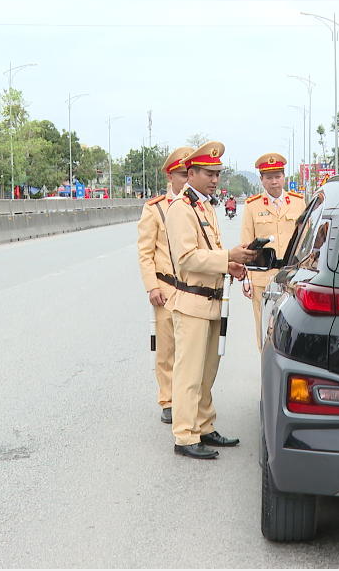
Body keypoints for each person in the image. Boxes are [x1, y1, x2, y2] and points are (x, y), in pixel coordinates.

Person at [165, 141, 257, 460]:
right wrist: (227, 255)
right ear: (191, 173)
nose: (215, 179)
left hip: (212, 301)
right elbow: (187, 258)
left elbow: (209, 252)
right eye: (209, 173)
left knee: (207, 372)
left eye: (217, 174)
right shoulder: (181, 208)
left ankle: (203, 426)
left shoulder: (204, 206)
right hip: (191, 303)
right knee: (189, 373)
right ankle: (185, 435)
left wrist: (229, 264)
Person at [136, 146, 193, 425]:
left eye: (189, 173)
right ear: (171, 177)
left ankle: (189, 399)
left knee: (191, 349)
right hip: (166, 288)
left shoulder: (197, 206)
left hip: (194, 289)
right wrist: (151, 286)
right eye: (183, 174)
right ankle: (168, 400)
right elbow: (145, 251)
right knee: (167, 349)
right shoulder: (155, 208)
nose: (187, 179)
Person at [240, 152, 306, 344]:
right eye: (269, 177)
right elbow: (246, 244)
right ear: (261, 180)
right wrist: (246, 278)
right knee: (264, 328)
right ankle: (266, 367)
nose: (274, 181)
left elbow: (306, 240)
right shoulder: (252, 206)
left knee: (291, 327)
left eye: (278, 176)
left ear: (284, 177)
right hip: (263, 277)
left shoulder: (298, 201)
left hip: (292, 276)